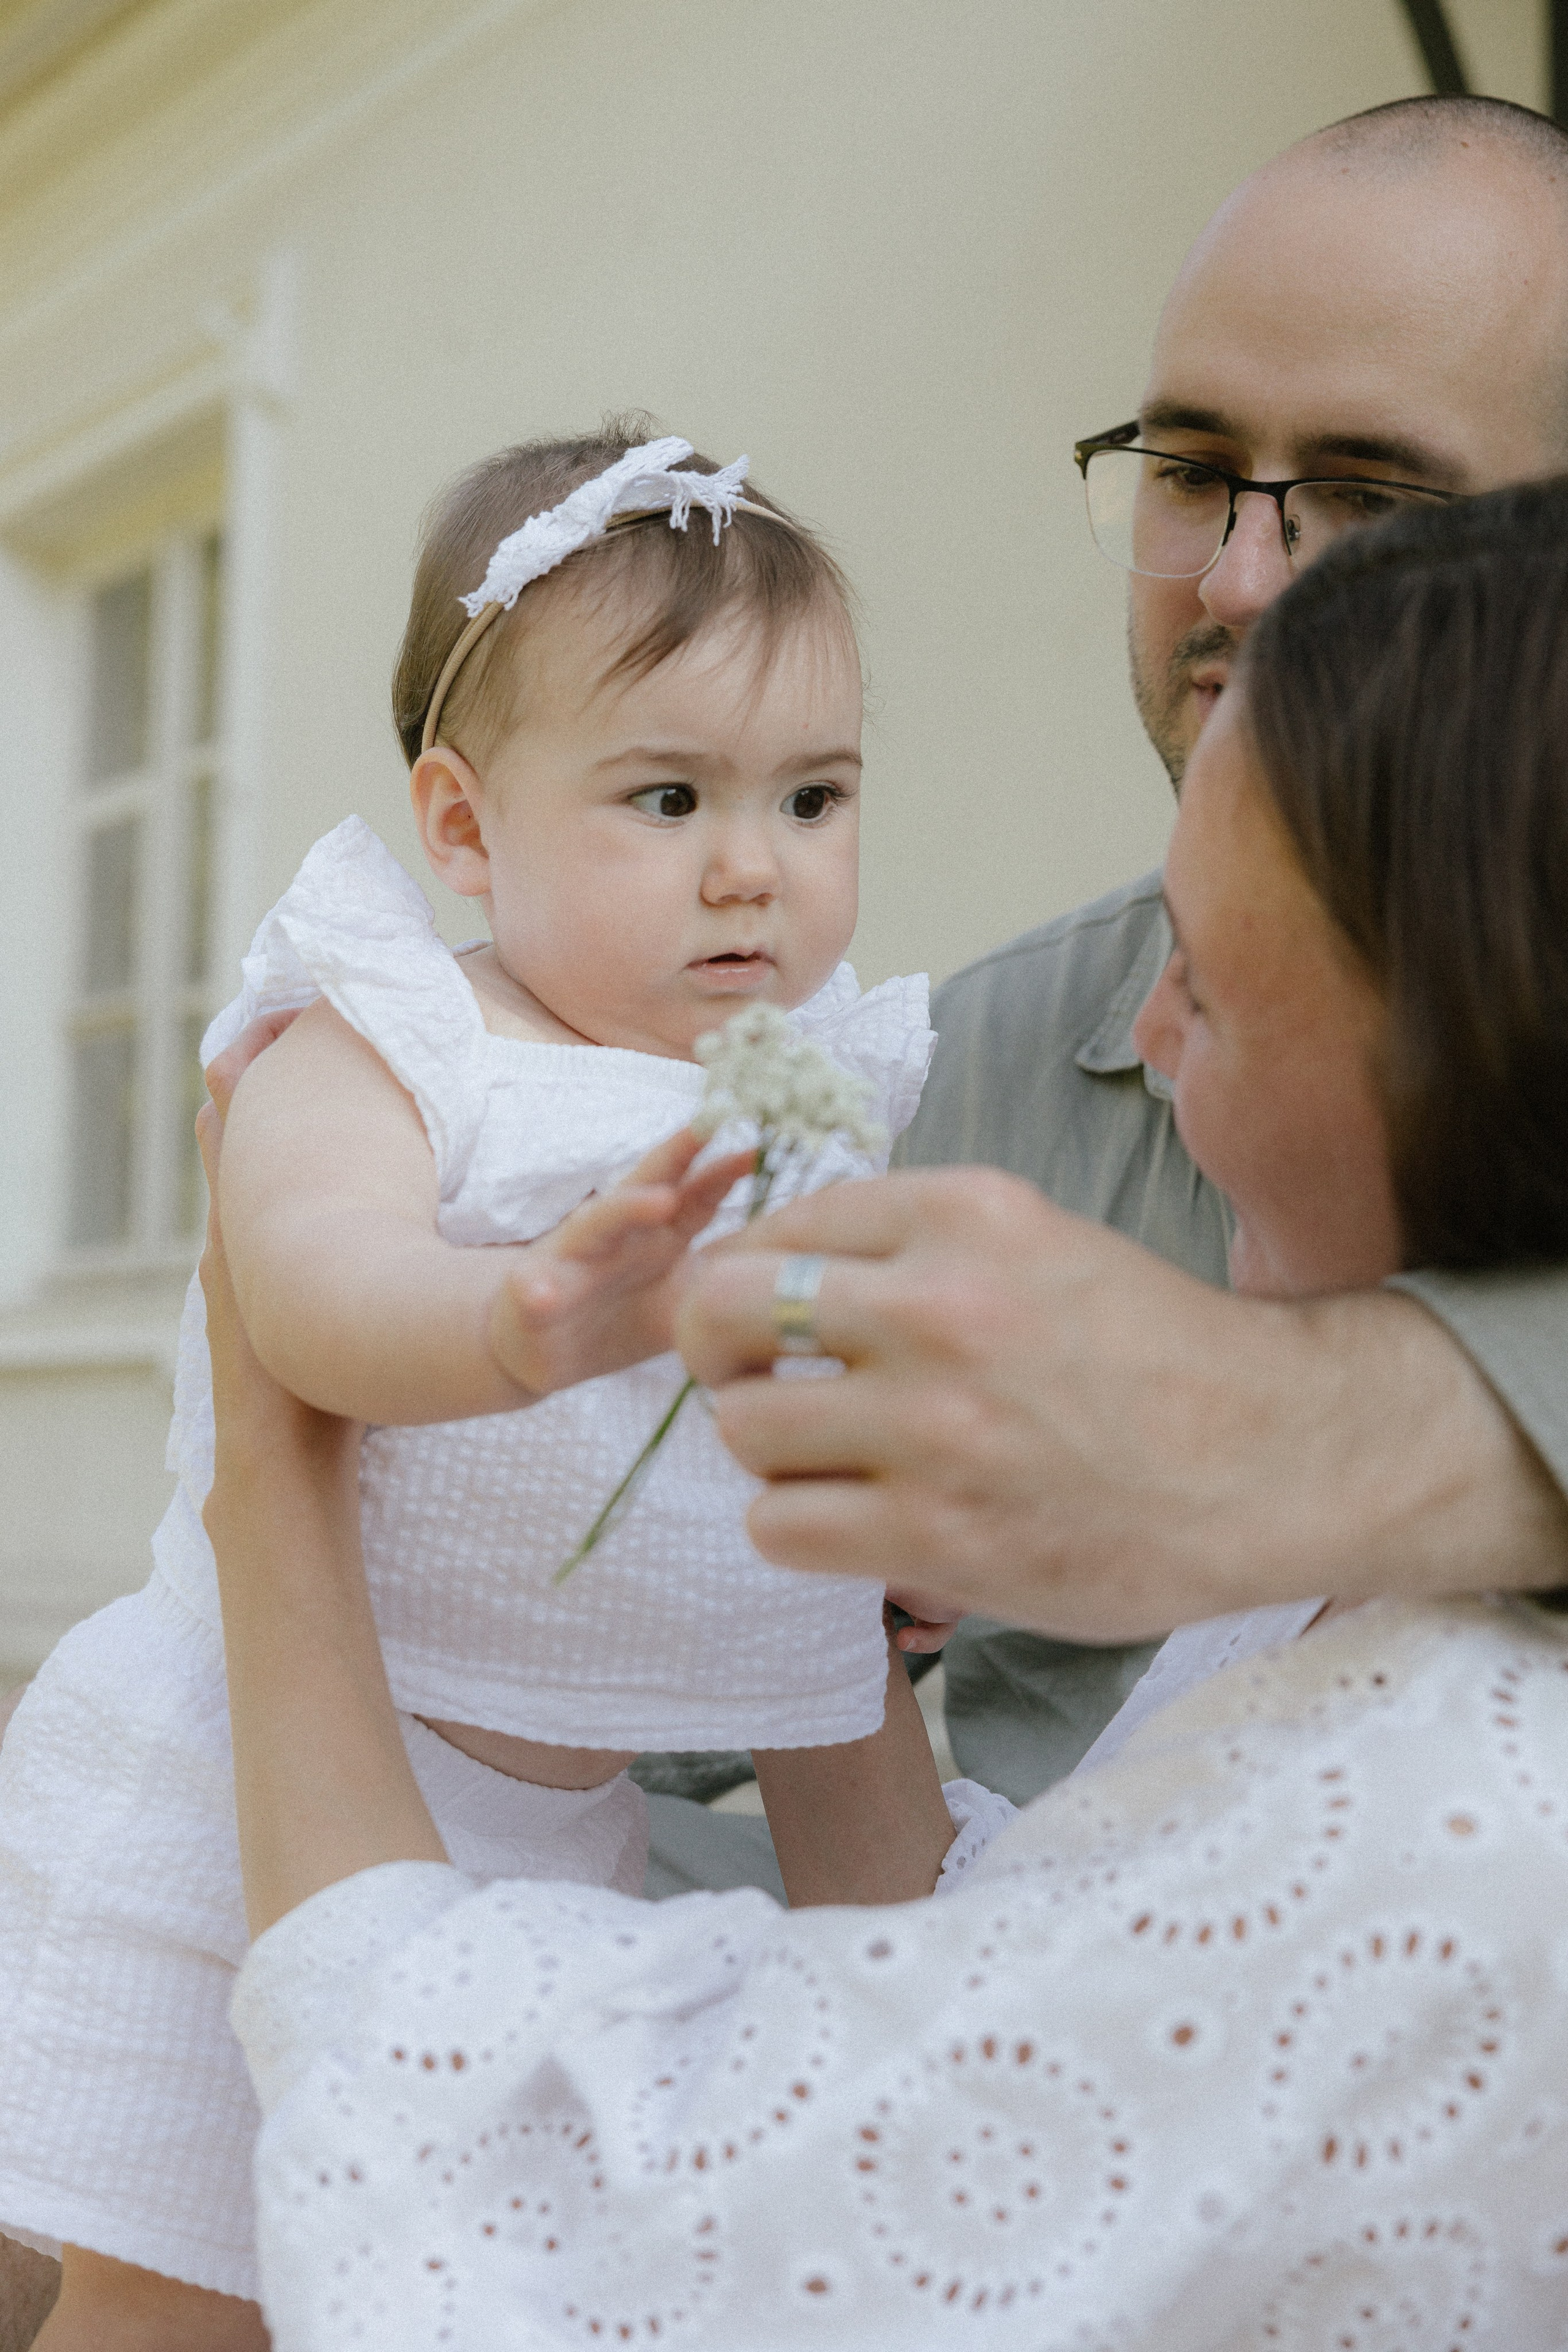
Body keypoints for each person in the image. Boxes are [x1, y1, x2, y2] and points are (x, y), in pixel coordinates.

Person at [219, 477, 1568, 2346]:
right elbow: (983, 1971)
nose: (1143, 1039)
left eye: (1213, 983)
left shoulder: (1461, 1813)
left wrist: (267, 1470)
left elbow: (543, 2220)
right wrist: (820, 1618)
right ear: (462, 821)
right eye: (669, 795)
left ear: (1468, 1033)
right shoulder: (1361, 1568)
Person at [1, 424, 985, 2350]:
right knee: (182, 2299)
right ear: (463, 828)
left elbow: (809, 1518)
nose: (751, 869)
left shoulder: (816, 1104)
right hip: (233, 1791)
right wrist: (513, 1324)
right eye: (669, 794)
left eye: (813, 797)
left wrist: (902, 1525)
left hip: (551, 1854)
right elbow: (302, 1276)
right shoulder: (399, 1029)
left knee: (424, 2277)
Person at [874, 91, 1568, 1802]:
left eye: (1369, 491)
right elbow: (642, 1753)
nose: (1243, 580)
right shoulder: (966, 1067)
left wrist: (1290, 1432)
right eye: (1192, 475)